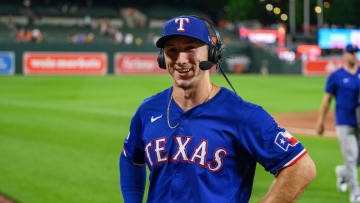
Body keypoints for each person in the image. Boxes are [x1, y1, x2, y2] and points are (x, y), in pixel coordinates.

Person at [120, 15, 316, 202]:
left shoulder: (242, 115)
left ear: (211, 53)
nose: (180, 59)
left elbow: (301, 167)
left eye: (190, 48)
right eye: (172, 50)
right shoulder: (148, 110)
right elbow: (130, 158)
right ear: (163, 57)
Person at [316, 44, 360, 202]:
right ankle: (355, 193)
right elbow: (326, 100)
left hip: (359, 122)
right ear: (345, 54)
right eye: (351, 52)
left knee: (356, 159)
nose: (354, 55)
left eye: (356, 52)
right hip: (344, 122)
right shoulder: (336, 76)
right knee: (351, 157)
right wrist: (320, 122)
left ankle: (342, 173)